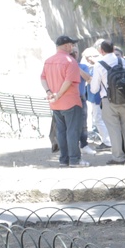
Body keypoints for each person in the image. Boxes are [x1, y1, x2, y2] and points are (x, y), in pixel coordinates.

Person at [90, 40, 125, 166]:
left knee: (114, 129)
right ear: (114, 49)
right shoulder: (124, 61)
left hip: (109, 100)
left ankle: (118, 157)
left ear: (101, 51)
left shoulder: (99, 64)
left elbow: (94, 89)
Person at [40, 35, 89, 167]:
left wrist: (49, 92)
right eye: (72, 45)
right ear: (67, 45)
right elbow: (68, 81)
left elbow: (43, 78)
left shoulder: (48, 61)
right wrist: (59, 94)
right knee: (73, 131)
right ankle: (74, 159)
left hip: (55, 103)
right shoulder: (70, 61)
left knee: (61, 131)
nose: (73, 47)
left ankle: (64, 159)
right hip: (70, 101)